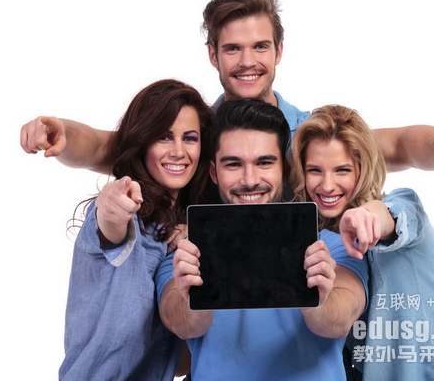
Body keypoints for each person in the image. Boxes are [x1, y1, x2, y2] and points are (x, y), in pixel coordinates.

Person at [19, 0, 434, 189]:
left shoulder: (309, 132)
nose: (247, 62)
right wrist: (61, 132)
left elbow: (400, 144)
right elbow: (108, 147)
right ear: (212, 55)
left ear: (279, 50)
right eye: (232, 49)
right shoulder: (192, 135)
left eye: (260, 47)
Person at [155, 98, 369, 381]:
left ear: (285, 170)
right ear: (213, 172)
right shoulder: (184, 255)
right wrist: (194, 295)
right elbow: (178, 321)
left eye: (264, 163)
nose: (250, 180)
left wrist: (316, 300)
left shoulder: (332, 246)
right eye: (233, 164)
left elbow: (341, 318)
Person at [289, 104, 434, 380]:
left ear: (362, 169)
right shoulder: (321, 241)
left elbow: (388, 218)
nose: (328, 185)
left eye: (342, 170)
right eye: (315, 170)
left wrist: (367, 216)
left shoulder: (402, 204)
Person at [60, 79, 214, 380]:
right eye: (164, 137)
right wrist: (110, 204)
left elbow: (179, 362)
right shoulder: (128, 213)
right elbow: (111, 224)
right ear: (143, 142)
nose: (178, 151)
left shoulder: (184, 229)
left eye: (190, 138)